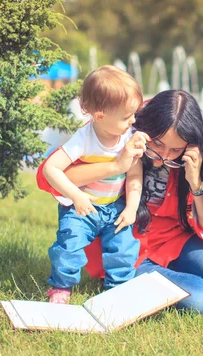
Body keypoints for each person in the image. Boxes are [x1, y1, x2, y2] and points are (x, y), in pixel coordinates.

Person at [39, 90, 203, 314]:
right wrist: (116, 165)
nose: (162, 155)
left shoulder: (194, 158)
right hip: (126, 251)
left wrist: (196, 183)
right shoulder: (116, 130)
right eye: (157, 144)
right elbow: (48, 176)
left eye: (175, 149)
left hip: (177, 242)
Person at [39, 65, 150, 304]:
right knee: (69, 246)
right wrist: (75, 196)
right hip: (82, 208)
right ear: (100, 116)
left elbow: (134, 175)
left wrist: (131, 208)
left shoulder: (128, 136)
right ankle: (61, 287)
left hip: (114, 207)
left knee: (123, 248)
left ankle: (118, 290)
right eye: (126, 116)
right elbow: (51, 168)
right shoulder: (85, 138)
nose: (133, 121)